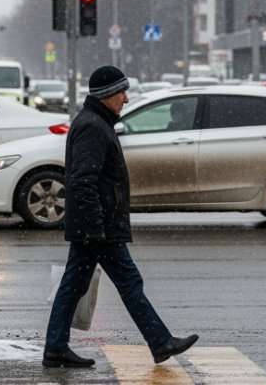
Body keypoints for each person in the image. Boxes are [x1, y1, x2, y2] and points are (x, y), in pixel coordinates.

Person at [42, 66, 198, 368]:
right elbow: (82, 181)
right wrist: (96, 226)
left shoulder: (96, 122)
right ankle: (160, 341)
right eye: (121, 92)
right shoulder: (93, 126)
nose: (126, 98)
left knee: (73, 286)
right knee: (129, 282)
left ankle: (56, 347)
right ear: (105, 95)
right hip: (100, 225)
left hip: (95, 223)